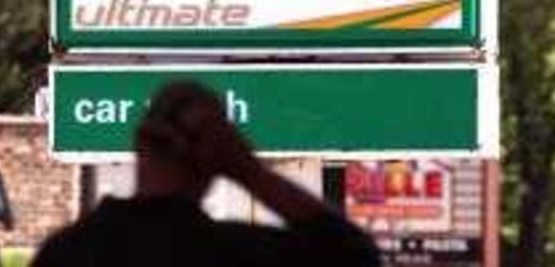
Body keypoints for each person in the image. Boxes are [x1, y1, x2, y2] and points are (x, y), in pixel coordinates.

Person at [32, 79, 380, 267]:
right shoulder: (235, 252)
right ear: (218, 156)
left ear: (139, 142)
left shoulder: (69, 252)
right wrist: (249, 170)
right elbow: (352, 254)